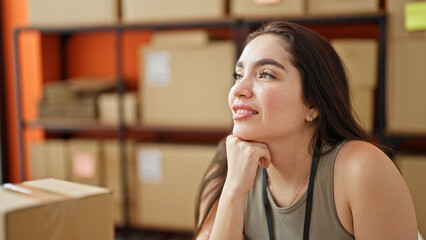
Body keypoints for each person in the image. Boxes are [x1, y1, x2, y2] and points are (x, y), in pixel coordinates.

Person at [193, 21, 418, 240]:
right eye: (239, 75)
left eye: (266, 74)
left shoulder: (362, 170)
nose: (238, 90)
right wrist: (234, 188)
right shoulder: (230, 161)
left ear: (313, 103)